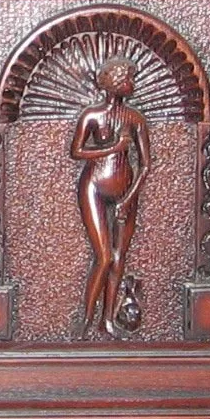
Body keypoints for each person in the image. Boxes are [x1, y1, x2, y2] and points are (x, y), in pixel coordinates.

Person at [69, 60, 152, 339]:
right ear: (113, 82)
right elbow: (77, 151)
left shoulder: (135, 119)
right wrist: (111, 148)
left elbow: (146, 165)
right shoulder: (92, 116)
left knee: (118, 260)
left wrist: (129, 198)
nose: (132, 83)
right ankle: (86, 319)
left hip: (125, 190)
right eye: (128, 78)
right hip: (94, 186)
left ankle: (107, 321)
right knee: (103, 256)